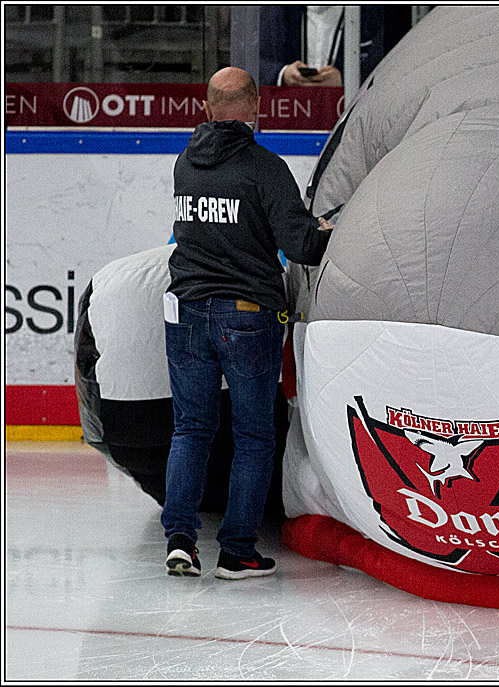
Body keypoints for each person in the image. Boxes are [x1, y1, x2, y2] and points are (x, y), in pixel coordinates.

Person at [162, 66, 334, 580]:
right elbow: (301, 244)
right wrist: (323, 228)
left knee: (191, 429)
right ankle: (237, 551)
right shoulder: (265, 168)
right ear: (257, 108)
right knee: (254, 436)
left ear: (207, 107)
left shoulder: (185, 164)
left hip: (187, 311)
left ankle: (180, 540)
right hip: (246, 317)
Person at [258, 5, 412, 87]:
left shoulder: (379, 15)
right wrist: (283, 74)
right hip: (287, 123)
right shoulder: (274, 11)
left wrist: (347, 80)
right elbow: (248, 60)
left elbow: (394, 68)